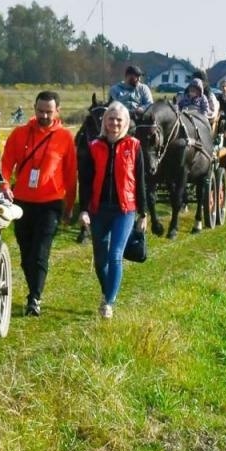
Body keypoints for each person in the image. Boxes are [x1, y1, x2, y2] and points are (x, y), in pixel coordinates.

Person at [0, 91, 77, 316]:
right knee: (26, 255)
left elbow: (71, 174)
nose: (44, 115)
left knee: (40, 252)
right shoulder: (19, 134)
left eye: (49, 112)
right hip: (22, 202)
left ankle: (35, 298)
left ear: (57, 111)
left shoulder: (64, 138)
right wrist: (5, 185)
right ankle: (34, 291)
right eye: (40, 110)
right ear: (34, 108)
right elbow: (6, 164)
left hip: (50, 203)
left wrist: (70, 206)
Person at [77, 102, 147, 320]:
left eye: (119, 120)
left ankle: (109, 303)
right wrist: (84, 210)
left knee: (115, 254)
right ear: (104, 121)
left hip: (125, 209)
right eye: (111, 119)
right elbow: (86, 181)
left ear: (125, 123)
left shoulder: (134, 146)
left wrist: (143, 213)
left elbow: (141, 181)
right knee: (100, 259)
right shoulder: (94, 146)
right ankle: (107, 291)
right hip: (99, 209)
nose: (114, 123)